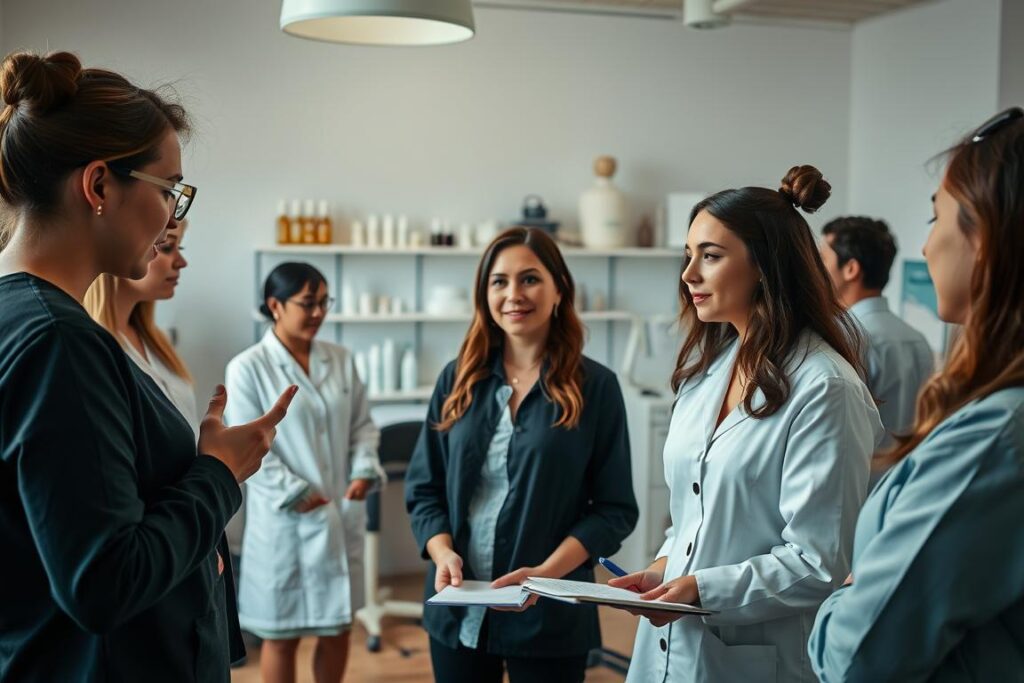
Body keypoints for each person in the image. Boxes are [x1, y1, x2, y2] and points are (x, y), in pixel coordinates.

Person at [0, 50, 294, 682]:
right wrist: (220, 473)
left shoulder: (20, 317)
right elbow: (106, 579)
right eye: (171, 192)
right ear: (100, 185)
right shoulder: (60, 343)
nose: (172, 218)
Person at [611, 166, 883, 682]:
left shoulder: (826, 387)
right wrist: (662, 569)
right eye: (688, 256)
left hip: (756, 657)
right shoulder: (708, 373)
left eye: (710, 256)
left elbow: (819, 561)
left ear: (765, 265)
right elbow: (692, 515)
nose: (689, 274)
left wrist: (700, 590)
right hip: (666, 648)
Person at [809, 107, 1024, 681]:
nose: (926, 248)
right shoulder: (919, 342)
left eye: (936, 219)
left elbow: (854, 657)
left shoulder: (998, 436)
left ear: (989, 236)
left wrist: (847, 591)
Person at [405, 226, 638, 683]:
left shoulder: (597, 387)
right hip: (458, 609)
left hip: (550, 614)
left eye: (530, 278)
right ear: (484, 294)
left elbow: (613, 510)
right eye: (499, 281)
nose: (514, 294)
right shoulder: (458, 380)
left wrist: (546, 575)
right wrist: (442, 551)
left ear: (558, 290)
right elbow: (424, 487)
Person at [225, 262, 383, 683]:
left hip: (340, 511)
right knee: (283, 635)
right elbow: (249, 446)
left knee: (337, 627)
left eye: (324, 302)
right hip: (286, 522)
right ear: (275, 305)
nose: (318, 313)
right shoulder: (248, 367)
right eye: (308, 303)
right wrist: (296, 492)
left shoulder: (341, 359)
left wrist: (364, 470)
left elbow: (363, 425)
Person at [820, 216, 934, 457]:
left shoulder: (844, 340)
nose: (815, 269)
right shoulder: (919, 340)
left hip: (858, 485)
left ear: (851, 269)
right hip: (901, 480)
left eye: (822, 259)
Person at [84, 219, 197, 433]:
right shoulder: (95, 352)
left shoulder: (156, 341)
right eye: (166, 247)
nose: (181, 262)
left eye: (179, 247)